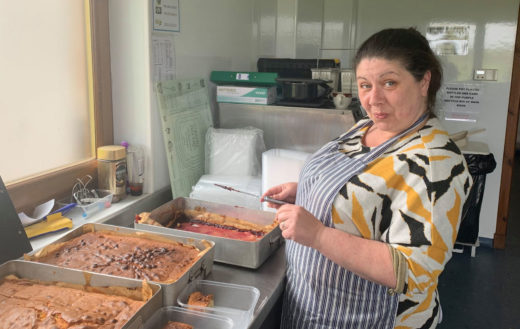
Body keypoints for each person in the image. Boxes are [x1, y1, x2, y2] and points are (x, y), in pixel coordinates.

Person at [261, 27, 472, 329]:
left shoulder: (435, 160)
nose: (374, 99)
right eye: (364, 85)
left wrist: (319, 235)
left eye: (389, 83)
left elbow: (413, 272)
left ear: (424, 81)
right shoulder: (364, 127)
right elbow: (364, 191)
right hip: (316, 308)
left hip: (371, 319)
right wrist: (308, 191)